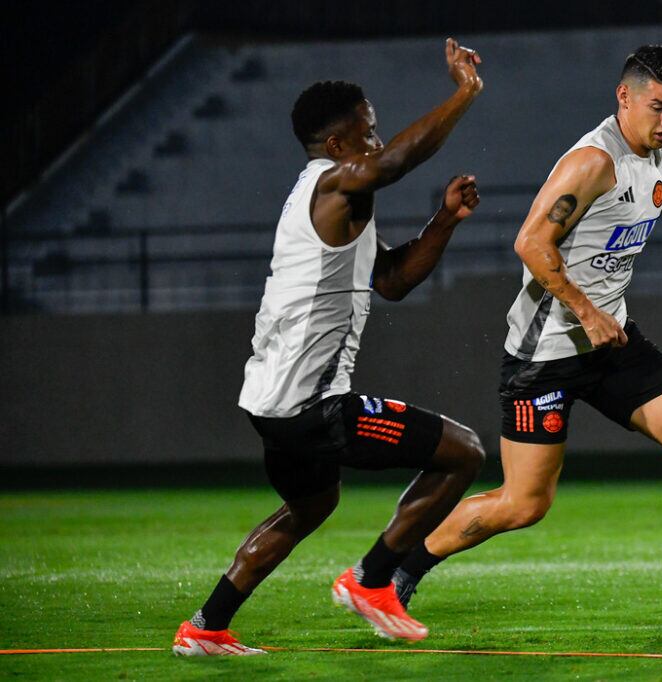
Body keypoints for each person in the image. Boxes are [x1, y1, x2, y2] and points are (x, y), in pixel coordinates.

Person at [393, 45, 662, 625]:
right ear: (625, 97)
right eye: (658, 107)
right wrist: (586, 311)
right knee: (524, 504)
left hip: (610, 342)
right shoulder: (592, 162)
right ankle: (396, 572)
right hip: (547, 351)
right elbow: (530, 243)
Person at [173, 38, 487, 655]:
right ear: (339, 146)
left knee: (310, 505)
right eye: (368, 133)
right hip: (311, 406)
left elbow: (392, 281)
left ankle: (206, 626)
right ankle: (372, 581)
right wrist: (464, 92)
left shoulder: (335, 201)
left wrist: (443, 221)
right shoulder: (334, 184)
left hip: (269, 404)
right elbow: (392, 163)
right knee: (464, 453)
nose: (377, 141)